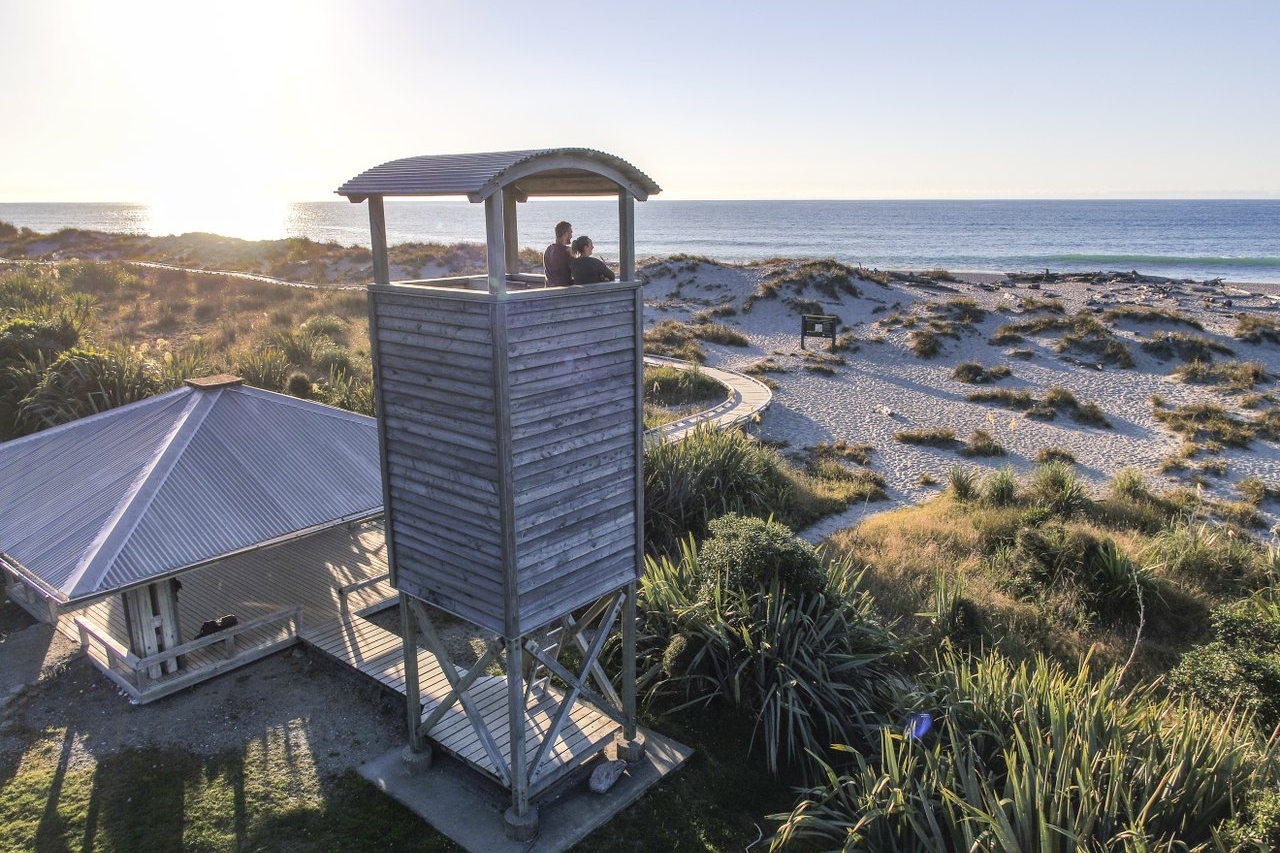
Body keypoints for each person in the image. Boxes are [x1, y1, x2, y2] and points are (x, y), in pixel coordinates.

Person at [543, 221, 573, 286]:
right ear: (565, 234)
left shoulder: (548, 249)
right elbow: (576, 271)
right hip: (562, 291)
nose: (571, 236)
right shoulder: (567, 251)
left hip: (549, 289)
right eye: (570, 232)